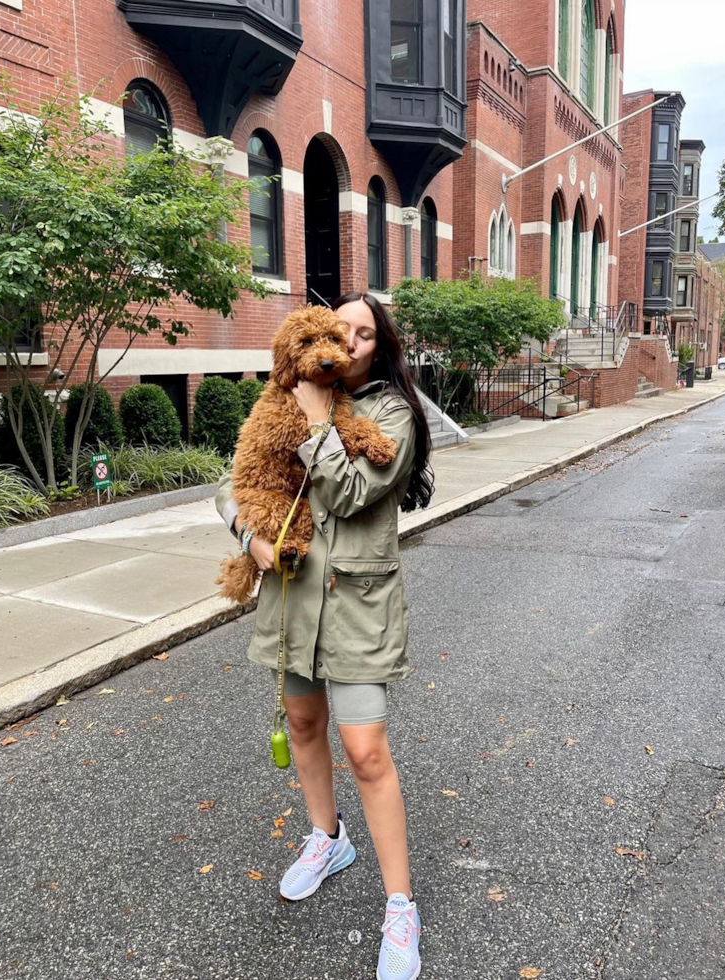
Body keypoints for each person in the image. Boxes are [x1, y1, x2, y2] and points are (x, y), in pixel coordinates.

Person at [214, 292, 434, 980]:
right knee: (305, 726)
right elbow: (232, 482)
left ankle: (399, 905)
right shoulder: (285, 394)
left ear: (378, 346)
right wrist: (248, 537)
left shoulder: (392, 414)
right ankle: (327, 837)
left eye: (362, 335)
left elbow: (346, 494)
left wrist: (315, 419)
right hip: (291, 595)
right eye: (339, 330)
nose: (346, 344)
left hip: (358, 604)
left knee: (365, 752)